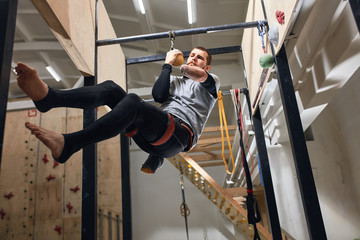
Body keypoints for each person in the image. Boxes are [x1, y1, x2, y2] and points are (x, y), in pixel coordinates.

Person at [15, 46, 220, 174]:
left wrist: (183, 66)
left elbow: (198, 75)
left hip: (178, 135)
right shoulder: (175, 81)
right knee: (112, 89)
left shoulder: (211, 84)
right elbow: (158, 96)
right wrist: (167, 65)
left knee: (133, 101)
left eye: (199, 58)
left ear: (207, 67)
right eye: (191, 55)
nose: (193, 58)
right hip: (154, 132)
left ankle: (70, 143)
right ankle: (50, 98)